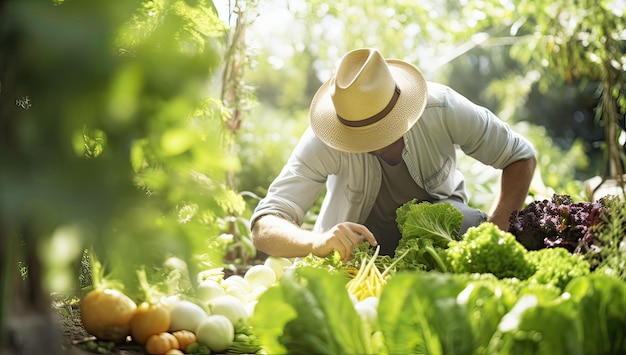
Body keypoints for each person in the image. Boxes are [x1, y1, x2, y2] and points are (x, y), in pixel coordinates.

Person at [250, 48, 537, 261]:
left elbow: (520, 156)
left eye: (383, 129)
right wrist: (315, 242)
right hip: (359, 253)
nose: (375, 141)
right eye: (361, 136)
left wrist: (497, 233)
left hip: (438, 238)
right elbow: (265, 225)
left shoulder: (443, 108)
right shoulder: (325, 137)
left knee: (466, 223)